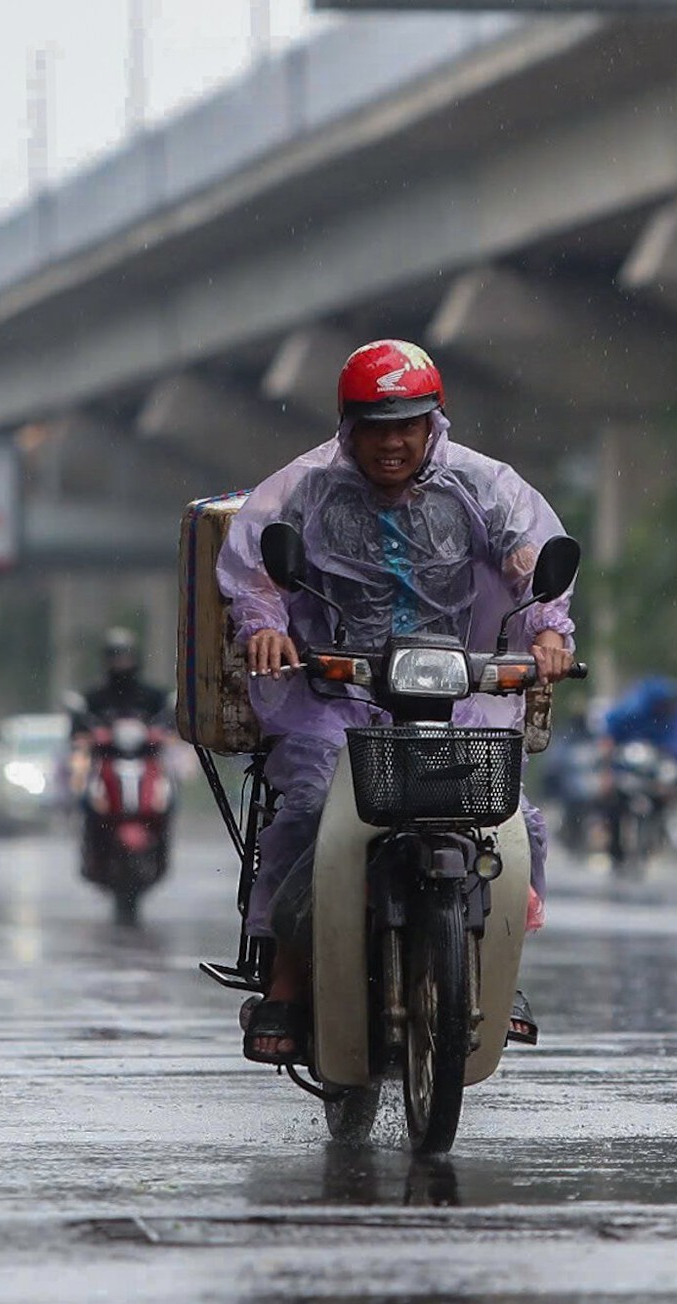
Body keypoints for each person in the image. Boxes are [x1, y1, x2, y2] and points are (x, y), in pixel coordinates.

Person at [216, 338, 575, 1065]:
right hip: (334, 691)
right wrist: (265, 629)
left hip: (453, 688)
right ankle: (286, 976)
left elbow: (529, 558)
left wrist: (547, 631)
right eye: (376, 427)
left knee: (516, 820)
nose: (392, 442)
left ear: (432, 423)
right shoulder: (305, 487)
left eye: (406, 425)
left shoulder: (483, 485)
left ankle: (497, 973)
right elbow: (255, 570)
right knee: (312, 806)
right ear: (349, 427)